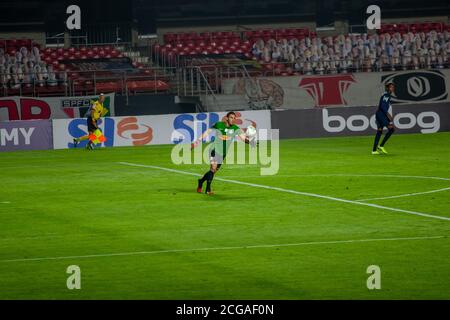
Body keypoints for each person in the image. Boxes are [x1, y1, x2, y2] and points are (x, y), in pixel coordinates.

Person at [192, 112, 252, 195]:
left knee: (213, 171)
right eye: (231, 117)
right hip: (214, 149)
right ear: (227, 118)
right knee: (213, 168)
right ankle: (208, 189)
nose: (233, 119)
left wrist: (251, 142)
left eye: (234, 118)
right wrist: (198, 140)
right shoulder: (218, 124)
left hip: (223, 153)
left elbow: (243, 138)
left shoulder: (235, 128)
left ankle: (201, 181)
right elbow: (207, 132)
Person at [372, 83, 396, 155]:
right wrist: (388, 115)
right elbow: (383, 106)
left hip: (379, 114)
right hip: (381, 115)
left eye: (393, 87)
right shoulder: (386, 95)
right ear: (388, 88)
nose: (393, 88)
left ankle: (374, 150)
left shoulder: (385, 94)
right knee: (391, 129)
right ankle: (381, 145)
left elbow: (384, 105)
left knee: (379, 131)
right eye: (391, 87)